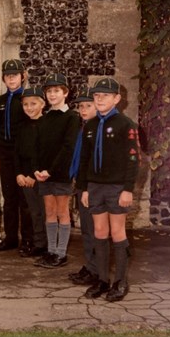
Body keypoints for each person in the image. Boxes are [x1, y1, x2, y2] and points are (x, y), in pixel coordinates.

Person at [78, 77, 139, 302]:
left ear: (117, 98)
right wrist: (84, 188)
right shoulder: (90, 126)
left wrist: (127, 189)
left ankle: (120, 281)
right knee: (100, 233)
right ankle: (102, 279)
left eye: (105, 95)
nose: (100, 98)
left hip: (116, 188)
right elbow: (84, 160)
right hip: (95, 187)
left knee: (118, 232)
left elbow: (133, 160)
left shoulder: (126, 125)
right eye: (96, 95)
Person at [34, 73, 80, 268]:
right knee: (49, 211)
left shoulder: (72, 117)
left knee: (62, 211)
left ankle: (61, 253)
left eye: (56, 91)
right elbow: (38, 145)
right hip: (44, 174)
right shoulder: (45, 118)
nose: (52, 95)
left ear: (65, 93)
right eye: (49, 91)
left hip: (60, 173)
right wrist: (37, 169)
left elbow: (68, 148)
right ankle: (51, 250)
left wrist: (51, 171)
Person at [0, 59, 33, 253]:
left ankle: (27, 240)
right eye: (8, 76)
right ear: (4, 78)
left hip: (23, 154)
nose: (11, 79)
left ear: (22, 77)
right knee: (9, 199)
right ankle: (10, 238)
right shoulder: (0, 101)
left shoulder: (27, 99)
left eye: (15, 75)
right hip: (6, 154)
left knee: (24, 198)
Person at [67, 87, 99, 285]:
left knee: (94, 229)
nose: (83, 109)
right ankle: (91, 265)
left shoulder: (96, 128)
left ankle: (96, 269)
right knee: (87, 229)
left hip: (92, 186)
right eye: (80, 106)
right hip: (81, 182)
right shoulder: (85, 127)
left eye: (88, 105)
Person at [14, 87, 47, 257]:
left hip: (39, 175)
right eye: (25, 104)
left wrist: (34, 175)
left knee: (41, 211)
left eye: (33, 103)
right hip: (24, 175)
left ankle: (43, 243)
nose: (29, 107)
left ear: (42, 104)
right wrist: (19, 173)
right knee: (28, 210)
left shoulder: (47, 124)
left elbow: (43, 152)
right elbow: (17, 152)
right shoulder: (21, 126)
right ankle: (29, 241)